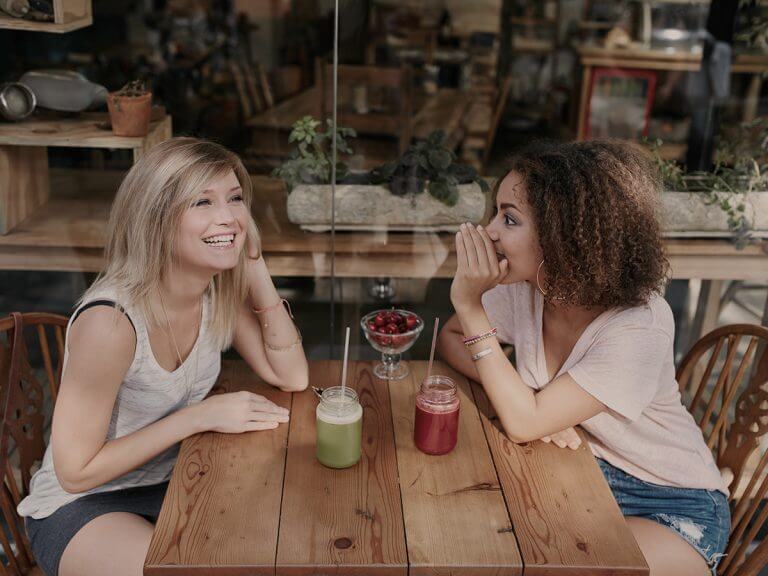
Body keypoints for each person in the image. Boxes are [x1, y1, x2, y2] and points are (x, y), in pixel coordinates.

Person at [437, 139, 730, 576]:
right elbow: (451, 338)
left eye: (509, 219)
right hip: (581, 472)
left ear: (563, 237)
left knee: (556, 565)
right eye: (496, 213)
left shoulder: (640, 326)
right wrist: (533, 399)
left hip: (670, 501)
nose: (490, 231)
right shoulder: (527, 287)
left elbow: (522, 423)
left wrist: (470, 304)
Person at [18, 138, 309, 576]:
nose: (229, 216)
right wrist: (197, 417)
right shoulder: (111, 323)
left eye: (234, 199)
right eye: (202, 202)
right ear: (155, 219)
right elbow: (74, 472)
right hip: (84, 504)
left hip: (176, 480)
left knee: (288, 545)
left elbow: (291, 376)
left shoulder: (212, 291)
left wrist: (254, 264)